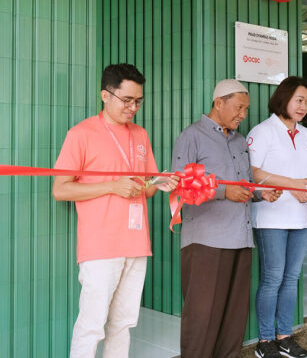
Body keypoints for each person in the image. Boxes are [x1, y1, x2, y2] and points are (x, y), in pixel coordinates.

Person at [52, 63, 178, 358]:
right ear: (105, 95)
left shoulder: (140, 134)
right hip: (100, 247)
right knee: (92, 326)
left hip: (136, 245)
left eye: (138, 101)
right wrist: (111, 186)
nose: (133, 107)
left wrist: (160, 182)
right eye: (127, 100)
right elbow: (61, 190)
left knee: (123, 324)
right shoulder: (81, 134)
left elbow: (144, 187)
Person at [171, 79, 282, 358]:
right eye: (239, 107)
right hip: (206, 239)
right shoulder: (192, 136)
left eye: (245, 109)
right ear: (218, 103)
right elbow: (181, 184)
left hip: (240, 238)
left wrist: (260, 194)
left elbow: (242, 186)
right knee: (202, 313)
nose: (243, 114)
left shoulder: (240, 140)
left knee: (234, 314)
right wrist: (223, 191)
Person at [247, 76, 307, 358]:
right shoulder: (263, 131)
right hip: (270, 217)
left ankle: (285, 337)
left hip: (300, 218)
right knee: (272, 278)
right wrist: (292, 184)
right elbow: (254, 173)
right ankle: (265, 341)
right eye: (299, 100)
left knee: (291, 277)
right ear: (283, 98)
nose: (304, 106)